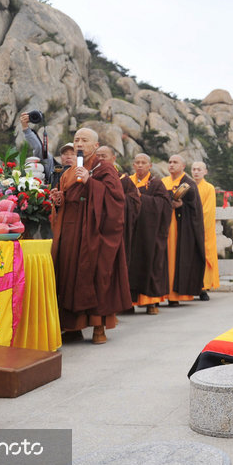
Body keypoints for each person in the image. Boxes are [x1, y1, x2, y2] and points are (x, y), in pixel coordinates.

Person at [50, 133, 132, 344]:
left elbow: (116, 201)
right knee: (69, 276)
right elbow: (67, 200)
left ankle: (99, 327)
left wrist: (91, 183)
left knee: (96, 276)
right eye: (76, 140)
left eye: (84, 140)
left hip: (94, 232)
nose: (79, 144)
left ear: (95, 145)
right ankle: (72, 327)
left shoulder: (105, 170)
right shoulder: (68, 173)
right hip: (70, 231)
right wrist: (59, 200)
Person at [127, 153, 172, 315]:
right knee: (129, 265)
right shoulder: (127, 182)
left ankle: (151, 302)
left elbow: (165, 205)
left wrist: (142, 198)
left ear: (150, 166)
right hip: (130, 232)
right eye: (137, 162)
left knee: (151, 263)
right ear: (133, 165)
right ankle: (128, 303)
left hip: (150, 233)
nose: (140, 165)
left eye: (143, 163)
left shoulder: (156, 184)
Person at [162, 155, 206, 305]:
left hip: (182, 229)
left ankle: (176, 295)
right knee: (165, 260)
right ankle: (164, 293)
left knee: (177, 260)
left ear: (183, 166)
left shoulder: (189, 184)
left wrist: (182, 206)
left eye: (175, 162)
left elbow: (196, 209)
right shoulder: (164, 182)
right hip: (165, 228)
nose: (172, 165)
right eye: (170, 162)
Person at [191, 161, 219, 301]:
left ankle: (203, 287)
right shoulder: (187, 187)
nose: (196, 172)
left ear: (205, 172)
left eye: (199, 169)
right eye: (194, 169)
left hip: (203, 230)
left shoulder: (209, 188)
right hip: (188, 229)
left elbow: (208, 211)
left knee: (204, 255)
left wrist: (197, 226)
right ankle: (190, 287)